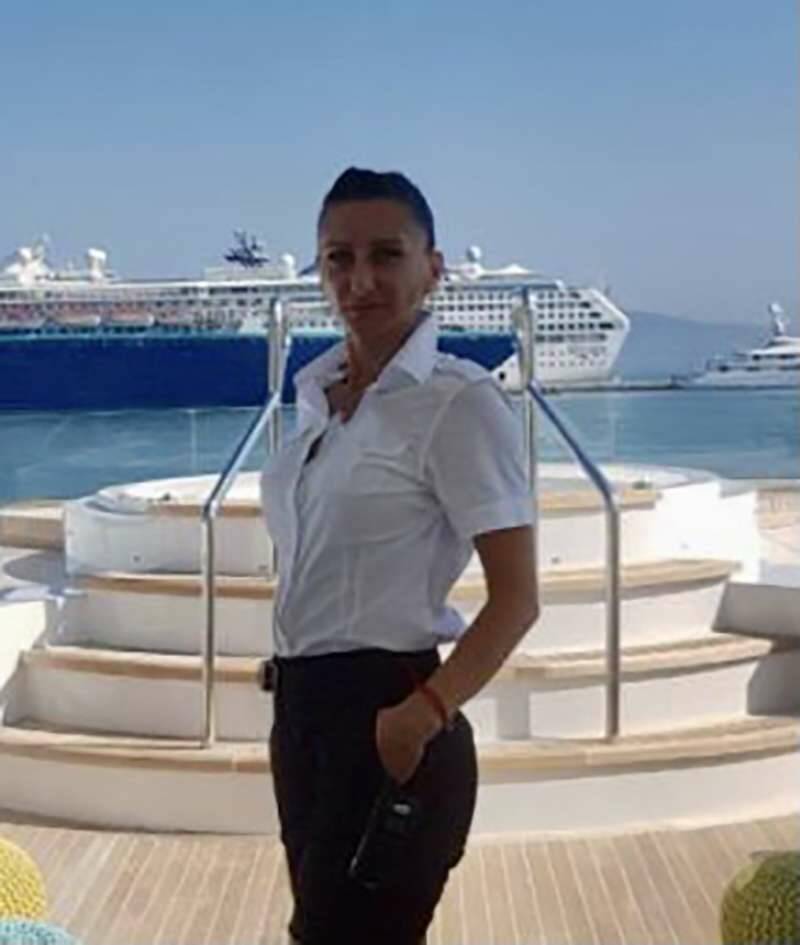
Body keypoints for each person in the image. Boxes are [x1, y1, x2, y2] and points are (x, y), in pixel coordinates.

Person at [260, 167, 539, 945]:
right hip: (301, 715)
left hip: (387, 711)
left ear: (432, 268)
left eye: (386, 254)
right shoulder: (317, 397)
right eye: (338, 259)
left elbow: (517, 597)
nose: (360, 280)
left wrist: (421, 715)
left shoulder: (457, 401)